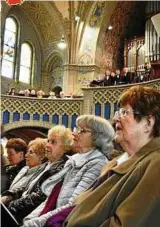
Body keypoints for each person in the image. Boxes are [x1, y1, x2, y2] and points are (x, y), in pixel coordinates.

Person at [58, 85, 160, 227]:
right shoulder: (115, 163)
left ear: (148, 123)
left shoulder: (156, 165)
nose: (115, 118)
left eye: (125, 112)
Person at [22, 115, 115, 227]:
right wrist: (30, 219)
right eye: (76, 129)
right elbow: (51, 198)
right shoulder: (73, 160)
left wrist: (35, 223)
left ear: (97, 137)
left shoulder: (98, 163)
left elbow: (73, 206)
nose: (74, 133)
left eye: (82, 130)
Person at [1, 126, 73, 222]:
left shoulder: (63, 167)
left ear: (65, 147)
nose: (47, 145)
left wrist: (10, 205)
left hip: (30, 217)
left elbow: (40, 197)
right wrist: (8, 196)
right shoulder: (47, 164)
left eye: (53, 142)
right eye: (48, 141)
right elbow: (26, 187)